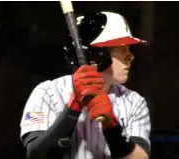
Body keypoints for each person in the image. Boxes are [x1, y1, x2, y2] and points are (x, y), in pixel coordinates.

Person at [20, 11, 151, 159]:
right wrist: (73, 108)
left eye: (129, 49)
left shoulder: (134, 101)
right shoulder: (47, 92)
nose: (130, 56)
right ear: (96, 55)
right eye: (121, 49)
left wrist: (112, 126)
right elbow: (37, 155)